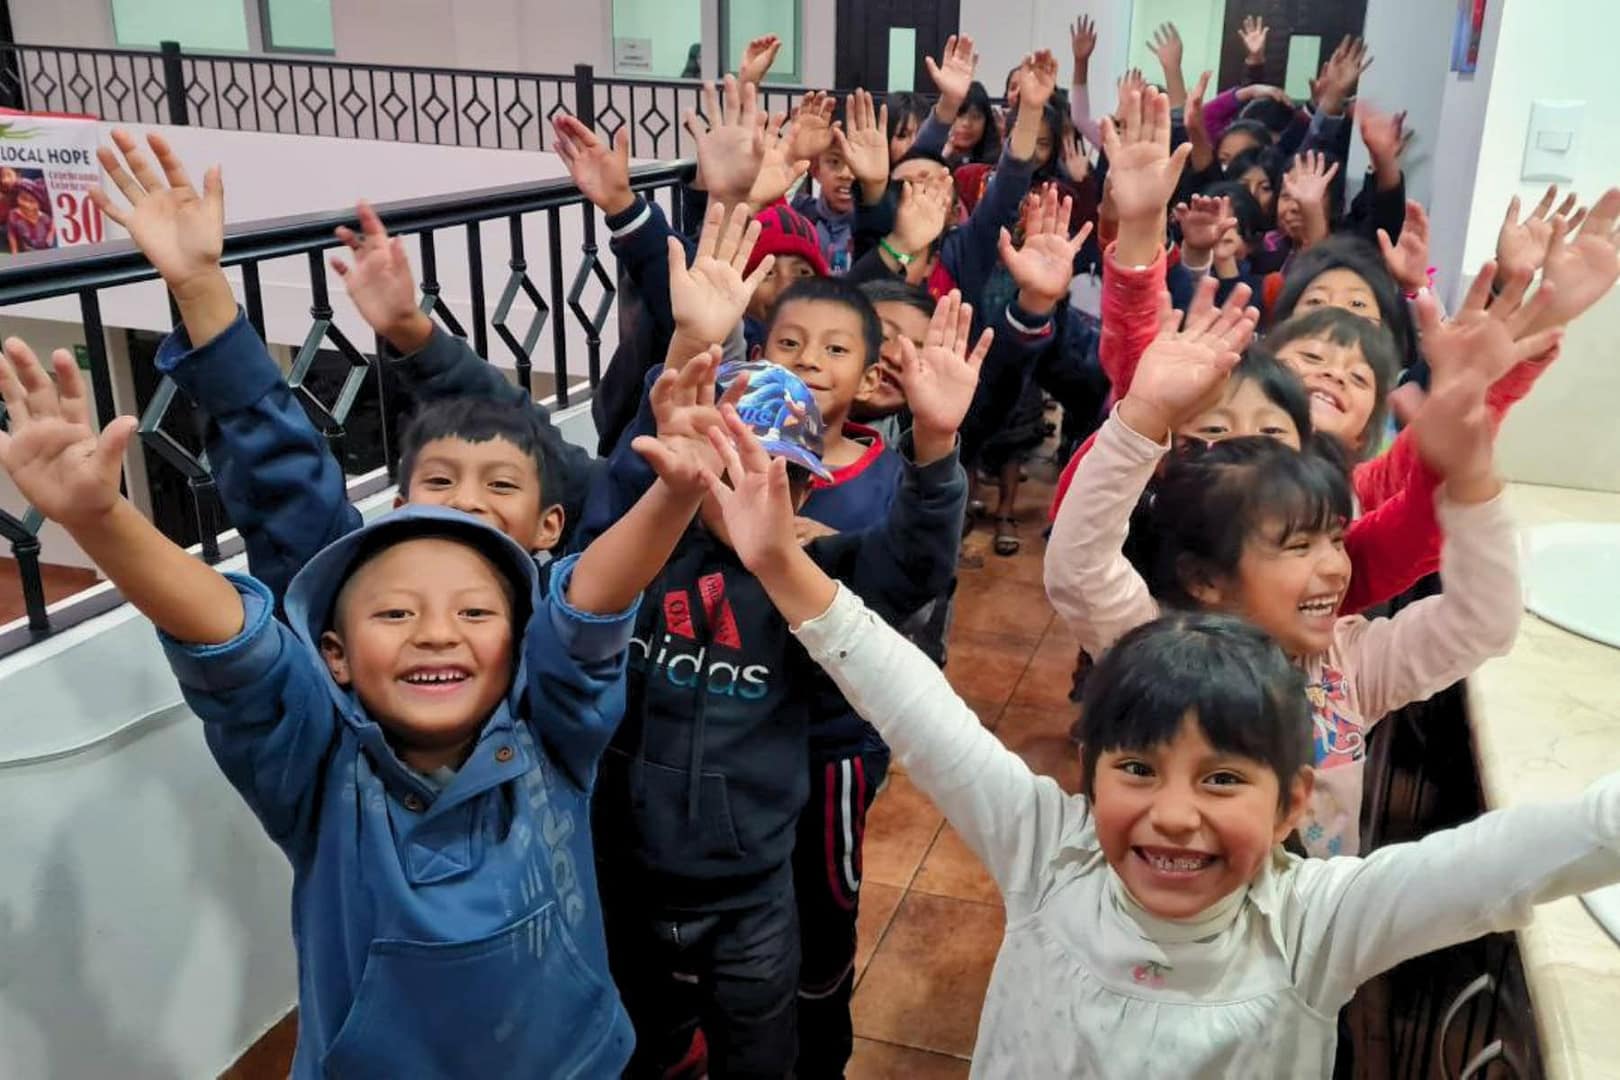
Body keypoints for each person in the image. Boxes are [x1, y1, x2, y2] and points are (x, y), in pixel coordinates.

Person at [694, 390, 1620, 1077]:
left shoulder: (1320, 924)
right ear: (1092, 771)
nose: (1173, 814)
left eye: (1222, 779)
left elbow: (1523, 855)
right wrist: (778, 563)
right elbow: (914, 704)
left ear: (1294, 801)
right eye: (1138, 768)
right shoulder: (1047, 855)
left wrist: (1474, 480)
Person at [0, 315, 724, 1074]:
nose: (436, 633)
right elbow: (238, 648)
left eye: (475, 613)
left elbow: (591, 609)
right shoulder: (314, 770)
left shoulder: (555, 736)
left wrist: (673, 498)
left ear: (522, 645)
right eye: (396, 614)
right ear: (335, 657)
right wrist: (104, 521)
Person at [575, 316, 978, 1078]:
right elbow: (593, 543)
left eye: (779, 476)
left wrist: (933, 448)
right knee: (642, 1046)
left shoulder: (813, 579)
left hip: (751, 893)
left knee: (761, 1053)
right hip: (625, 875)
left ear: (804, 488)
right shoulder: (640, 559)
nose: (751, 492)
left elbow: (914, 566)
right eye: (730, 468)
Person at [1045, 286, 1525, 859]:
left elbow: (1481, 624)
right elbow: (1080, 566)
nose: (1335, 567)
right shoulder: (1156, 645)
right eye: (1299, 545)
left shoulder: (1349, 666)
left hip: (1307, 915)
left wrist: (1471, 477)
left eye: (1336, 539)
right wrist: (1143, 415)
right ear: (1205, 579)